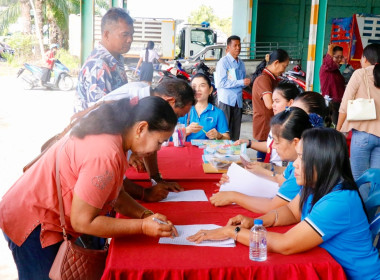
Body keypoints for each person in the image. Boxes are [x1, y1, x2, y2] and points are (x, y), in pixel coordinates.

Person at [0, 97, 179, 279]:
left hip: (36, 210)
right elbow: (83, 221)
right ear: (141, 128)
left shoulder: (115, 137)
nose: (158, 149)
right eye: (159, 142)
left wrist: (145, 215)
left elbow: (114, 193)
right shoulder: (105, 153)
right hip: (33, 221)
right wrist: (142, 226)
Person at [189, 128, 380, 280]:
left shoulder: (339, 201)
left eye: (303, 158)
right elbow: (291, 210)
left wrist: (232, 232)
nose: (295, 164)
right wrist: (256, 222)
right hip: (331, 266)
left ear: (321, 162)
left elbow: (286, 244)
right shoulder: (316, 184)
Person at [101, 79, 196, 202]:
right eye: (177, 115)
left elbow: (150, 141)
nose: (175, 120)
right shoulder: (110, 148)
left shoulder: (147, 96)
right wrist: (143, 193)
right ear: (170, 101)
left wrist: (156, 179)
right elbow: (113, 184)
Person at [210, 107, 315, 213]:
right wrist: (236, 181)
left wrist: (233, 196)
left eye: (277, 142)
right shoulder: (295, 161)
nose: (273, 146)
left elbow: (273, 206)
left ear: (295, 142)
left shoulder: (302, 168)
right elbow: (280, 181)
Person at [337, 43, 380, 198]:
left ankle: (361, 218)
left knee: (360, 180)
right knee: (376, 182)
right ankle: (372, 218)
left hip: (362, 135)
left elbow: (344, 105)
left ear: (366, 59)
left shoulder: (360, 74)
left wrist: (339, 128)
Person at [74, 8, 133, 112]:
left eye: (131, 34)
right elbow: (99, 117)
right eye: (125, 34)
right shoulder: (99, 66)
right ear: (106, 35)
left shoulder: (116, 58)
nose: (130, 39)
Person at [235, 83, 299, 166]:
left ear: (290, 103)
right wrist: (249, 143)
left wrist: (266, 168)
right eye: (273, 101)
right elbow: (270, 146)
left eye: (277, 101)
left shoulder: (293, 127)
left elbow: (287, 167)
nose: (273, 105)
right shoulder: (277, 122)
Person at [251, 49, 290, 161]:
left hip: (270, 123)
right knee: (264, 158)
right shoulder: (263, 79)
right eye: (284, 66)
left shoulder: (271, 78)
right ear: (276, 63)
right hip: (265, 124)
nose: (284, 70)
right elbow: (269, 104)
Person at [215, 35, 251, 141]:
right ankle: (222, 154)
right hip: (226, 100)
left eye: (239, 45)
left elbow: (241, 82)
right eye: (235, 45)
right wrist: (241, 82)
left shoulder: (241, 63)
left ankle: (234, 153)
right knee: (224, 130)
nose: (238, 48)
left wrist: (246, 83)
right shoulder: (223, 62)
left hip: (238, 101)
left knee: (236, 131)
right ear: (228, 47)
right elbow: (222, 82)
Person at [178, 73, 230, 140]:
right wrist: (186, 130)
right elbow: (171, 137)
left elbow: (227, 138)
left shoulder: (218, 113)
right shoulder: (183, 110)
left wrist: (219, 136)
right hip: (186, 150)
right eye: (194, 86)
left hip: (208, 150)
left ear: (210, 90)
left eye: (202, 85)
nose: (197, 89)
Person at [319, 44, 346, 125]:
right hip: (331, 103)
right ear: (330, 56)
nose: (339, 59)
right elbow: (329, 63)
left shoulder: (335, 70)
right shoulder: (326, 67)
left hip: (338, 103)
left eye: (341, 57)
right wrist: (330, 50)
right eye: (336, 57)